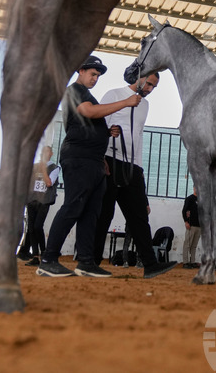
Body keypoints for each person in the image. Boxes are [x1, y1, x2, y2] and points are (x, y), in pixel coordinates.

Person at [38, 55, 164, 279]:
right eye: (92, 74)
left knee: (91, 213)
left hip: (95, 160)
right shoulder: (75, 91)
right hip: (80, 157)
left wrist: (106, 133)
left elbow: (90, 123)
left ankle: (87, 262)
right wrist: (125, 103)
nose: (95, 78)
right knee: (73, 207)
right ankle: (48, 259)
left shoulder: (90, 95)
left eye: (98, 75)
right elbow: (87, 112)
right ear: (80, 71)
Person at [92, 71, 175, 279]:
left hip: (132, 166)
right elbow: (99, 125)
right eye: (149, 84)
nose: (150, 89)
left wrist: (139, 169)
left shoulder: (144, 105)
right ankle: (92, 262)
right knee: (104, 214)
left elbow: (138, 136)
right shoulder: (114, 94)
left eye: (154, 87)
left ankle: (150, 264)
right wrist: (100, 157)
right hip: (109, 160)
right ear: (139, 77)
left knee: (139, 216)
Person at [17, 143, 60, 265]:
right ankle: (35, 256)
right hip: (32, 200)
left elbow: (49, 183)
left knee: (37, 226)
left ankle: (44, 252)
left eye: (46, 152)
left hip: (44, 201)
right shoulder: (34, 167)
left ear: (51, 154)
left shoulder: (54, 168)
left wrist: (42, 169)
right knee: (31, 228)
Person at [182, 187, 200, 268]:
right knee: (187, 244)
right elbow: (184, 210)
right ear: (194, 188)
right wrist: (186, 221)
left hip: (199, 225)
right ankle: (185, 262)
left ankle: (192, 261)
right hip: (191, 225)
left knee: (194, 245)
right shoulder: (189, 199)